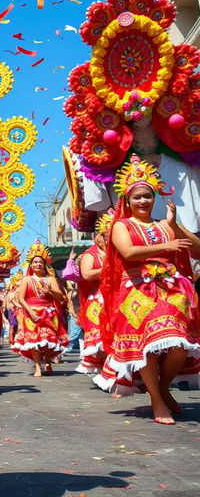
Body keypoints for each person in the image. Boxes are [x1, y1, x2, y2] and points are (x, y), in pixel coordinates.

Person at [97, 155, 200, 425]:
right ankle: (156, 398)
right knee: (148, 347)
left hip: (171, 288)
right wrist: (166, 247)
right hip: (137, 289)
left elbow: (197, 249)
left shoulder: (165, 225)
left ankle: (163, 387)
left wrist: (175, 225)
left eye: (148, 196)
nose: (143, 201)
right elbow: (129, 252)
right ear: (127, 201)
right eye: (137, 197)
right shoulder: (122, 225)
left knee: (179, 343)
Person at [12, 242, 69, 377]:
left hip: (49, 313)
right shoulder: (26, 280)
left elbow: (60, 296)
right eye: (35, 262)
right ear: (31, 265)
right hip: (31, 313)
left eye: (40, 262)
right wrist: (30, 311)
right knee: (34, 341)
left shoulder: (50, 280)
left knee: (49, 340)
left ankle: (47, 360)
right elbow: (21, 298)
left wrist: (50, 291)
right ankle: (38, 366)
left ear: (44, 265)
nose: (37, 264)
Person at [76, 213, 113, 375]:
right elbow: (87, 274)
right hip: (98, 301)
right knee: (101, 340)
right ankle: (109, 372)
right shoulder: (89, 254)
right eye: (102, 235)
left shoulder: (115, 252)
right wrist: (110, 268)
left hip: (117, 297)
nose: (105, 238)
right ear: (96, 236)